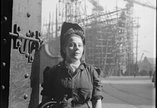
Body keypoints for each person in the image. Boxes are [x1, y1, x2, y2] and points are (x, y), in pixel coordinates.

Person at [39, 22, 103, 108]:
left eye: (80, 45)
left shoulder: (91, 72)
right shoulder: (53, 72)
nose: (77, 48)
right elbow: (45, 101)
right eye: (71, 45)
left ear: (83, 49)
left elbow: (97, 100)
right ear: (64, 49)